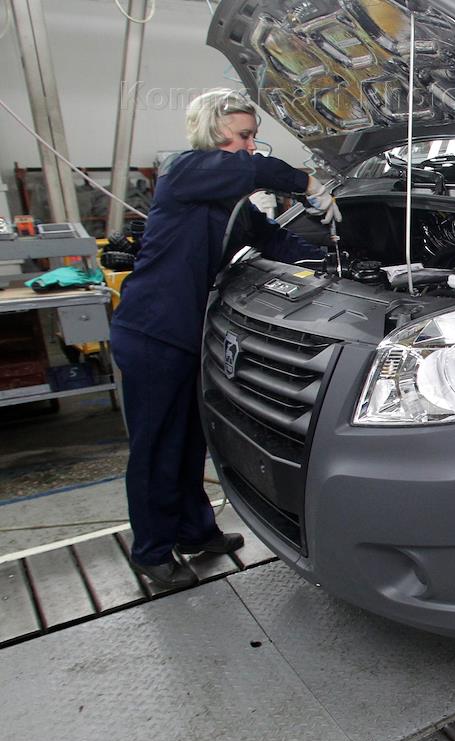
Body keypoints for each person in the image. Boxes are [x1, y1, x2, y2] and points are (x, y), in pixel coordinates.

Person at [111, 89, 339, 589]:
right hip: (152, 332)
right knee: (156, 447)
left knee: (189, 440)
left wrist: (333, 261)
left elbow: (274, 239)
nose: (251, 145)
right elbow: (256, 170)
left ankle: (196, 531)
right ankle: (151, 551)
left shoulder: (229, 202)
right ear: (213, 134)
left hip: (184, 333)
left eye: (254, 136)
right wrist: (307, 182)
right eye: (243, 136)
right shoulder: (185, 170)